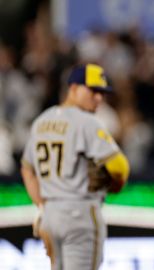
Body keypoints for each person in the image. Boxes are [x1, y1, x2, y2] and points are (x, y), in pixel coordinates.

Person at [21, 63, 130, 270]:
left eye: (102, 93)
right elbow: (120, 167)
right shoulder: (88, 122)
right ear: (72, 89)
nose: (99, 98)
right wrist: (115, 185)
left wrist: (42, 206)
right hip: (79, 213)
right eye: (93, 91)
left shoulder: (41, 121)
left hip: (51, 216)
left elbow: (27, 169)